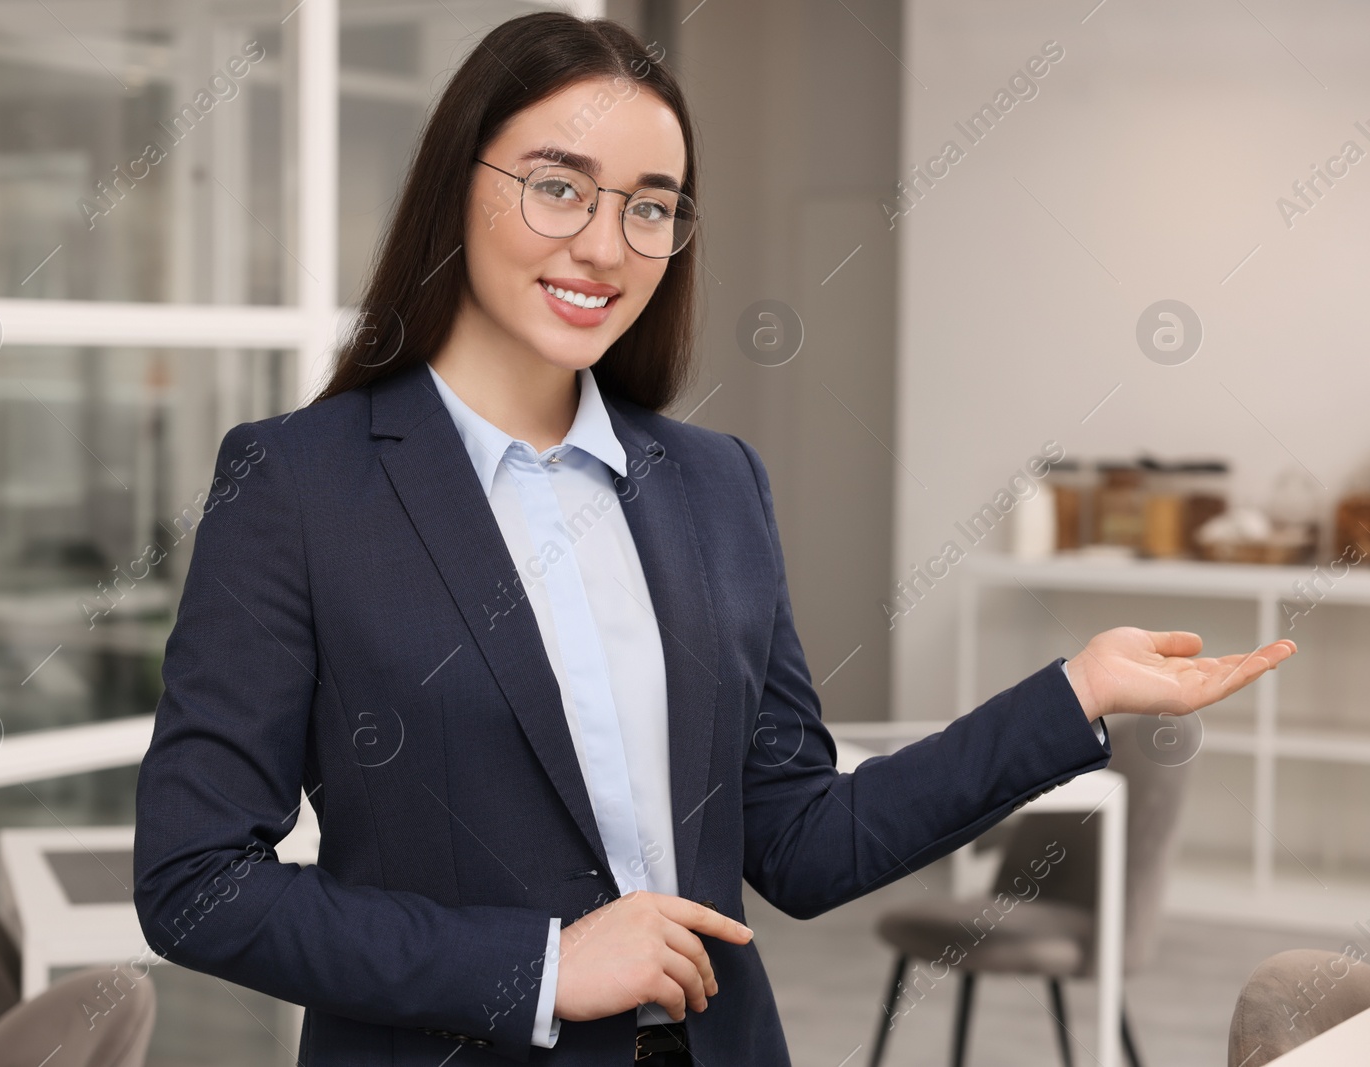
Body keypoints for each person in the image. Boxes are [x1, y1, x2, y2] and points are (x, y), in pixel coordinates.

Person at [131, 12, 1296, 1066]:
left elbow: (800, 836)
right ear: (457, 185)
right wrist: (540, 966)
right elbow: (195, 883)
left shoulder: (713, 482)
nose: (604, 244)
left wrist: (1072, 692)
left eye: (650, 204)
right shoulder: (297, 482)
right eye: (557, 186)